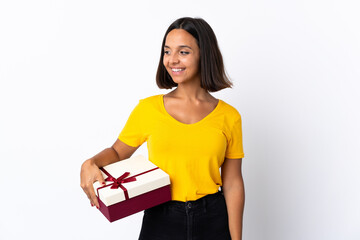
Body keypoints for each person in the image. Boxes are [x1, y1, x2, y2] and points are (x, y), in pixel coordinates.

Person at [80, 17, 245, 240]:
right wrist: (91, 162)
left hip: (213, 220)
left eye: (183, 52)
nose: (172, 60)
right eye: (167, 52)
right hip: (161, 217)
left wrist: (236, 239)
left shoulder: (229, 116)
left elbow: (233, 183)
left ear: (204, 55)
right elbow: (119, 152)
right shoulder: (148, 109)